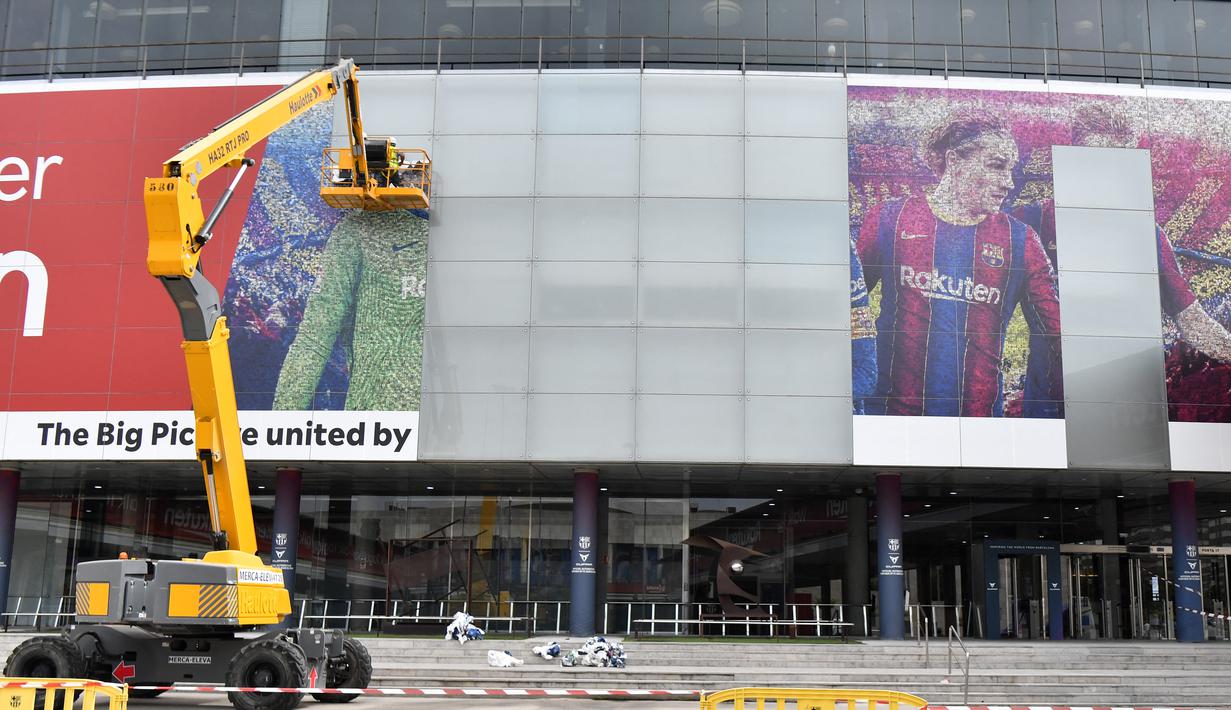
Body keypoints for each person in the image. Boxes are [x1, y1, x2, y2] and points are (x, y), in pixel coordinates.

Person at [1016, 104, 1231, 414]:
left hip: (1124, 413)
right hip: (1049, 411)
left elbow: (1194, 324)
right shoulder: (1029, 222)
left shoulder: (1145, 232)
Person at [855, 114, 1062, 417]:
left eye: (1010, 170)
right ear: (954, 161)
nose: (1008, 182)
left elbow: (1057, 333)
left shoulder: (1020, 239)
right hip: (890, 421)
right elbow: (846, 309)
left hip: (977, 428)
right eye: (996, 166)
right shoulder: (890, 218)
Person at [272, 208, 429, 411]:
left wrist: (280, 425)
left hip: (381, 423)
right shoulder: (357, 232)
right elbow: (313, 340)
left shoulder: (356, 231)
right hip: (409, 424)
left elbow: (313, 340)